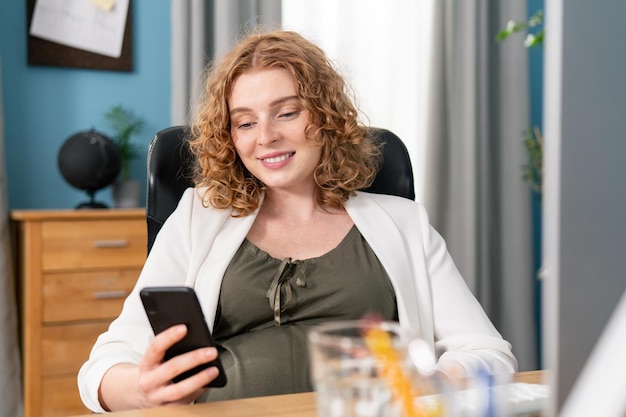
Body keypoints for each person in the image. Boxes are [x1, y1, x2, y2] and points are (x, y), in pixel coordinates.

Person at [78, 28, 517, 412]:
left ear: (325, 117)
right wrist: (143, 389)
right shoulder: (197, 216)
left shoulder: (404, 224)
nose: (265, 136)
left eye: (286, 112)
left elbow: (488, 352)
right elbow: (102, 368)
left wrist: (427, 384)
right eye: (244, 123)